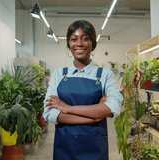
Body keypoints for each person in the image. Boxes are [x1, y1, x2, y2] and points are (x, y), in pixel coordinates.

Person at [43, 20, 123, 160]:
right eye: (74, 39)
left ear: (93, 44)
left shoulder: (105, 74)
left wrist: (67, 108)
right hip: (64, 149)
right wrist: (94, 117)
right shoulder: (59, 74)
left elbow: (114, 107)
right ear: (69, 44)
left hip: (95, 148)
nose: (79, 43)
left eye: (85, 38)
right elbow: (49, 112)